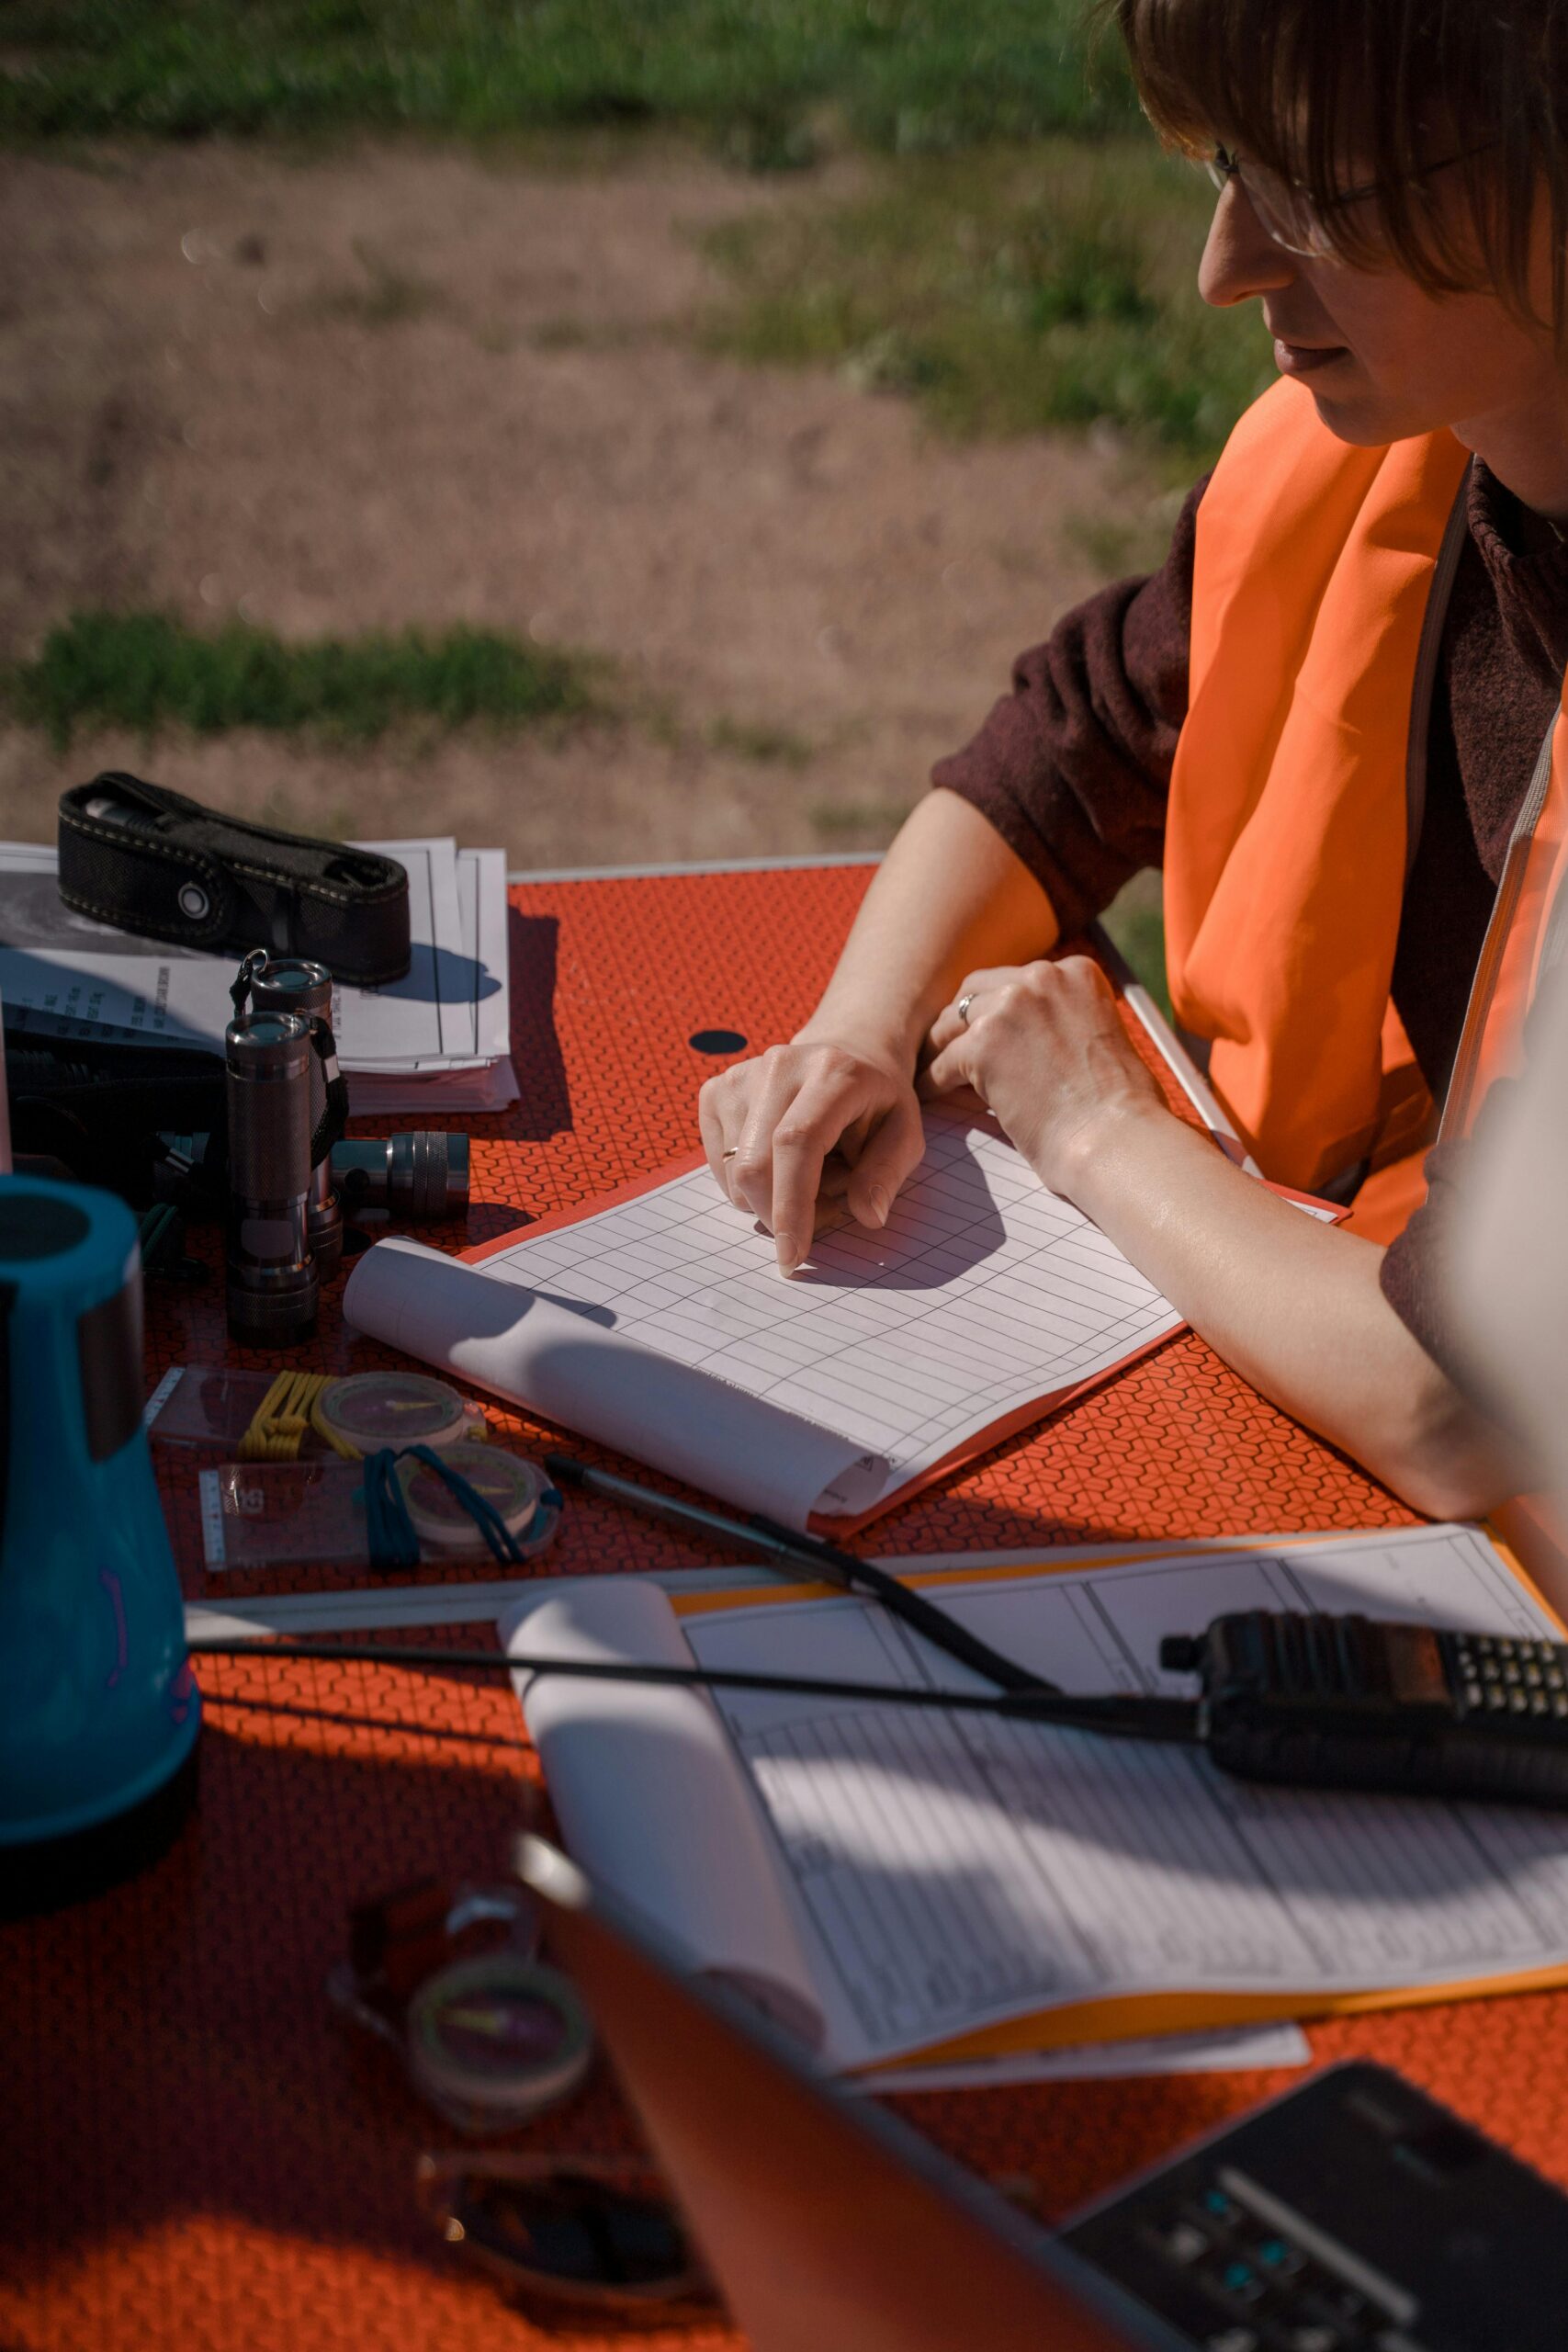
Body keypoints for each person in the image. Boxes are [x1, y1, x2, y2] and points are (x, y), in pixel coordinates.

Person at [698, 0, 1567, 1521]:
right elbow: (1068, 747)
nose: (1224, 266)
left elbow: (1464, 1406)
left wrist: (1097, 1125)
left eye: (1320, 197)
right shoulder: (1391, 460)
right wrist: (860, 1028)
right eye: (1234, 169)